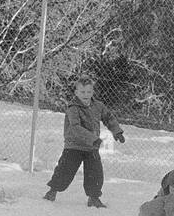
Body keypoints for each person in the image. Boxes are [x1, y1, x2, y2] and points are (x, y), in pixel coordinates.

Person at [44, 75, 125, 207]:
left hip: (91, 148)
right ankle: (52, 191)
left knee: (95, 173)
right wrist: (93, 139)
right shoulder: (73, 108)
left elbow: (109, 118)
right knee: (65, 170)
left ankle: (93, 198)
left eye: (88, 91)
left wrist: (117, 132)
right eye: (82, 92)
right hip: (74, 146)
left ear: (92, 92)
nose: (85, 95)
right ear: (76, 93)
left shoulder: (98, 106)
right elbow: (75, 128)